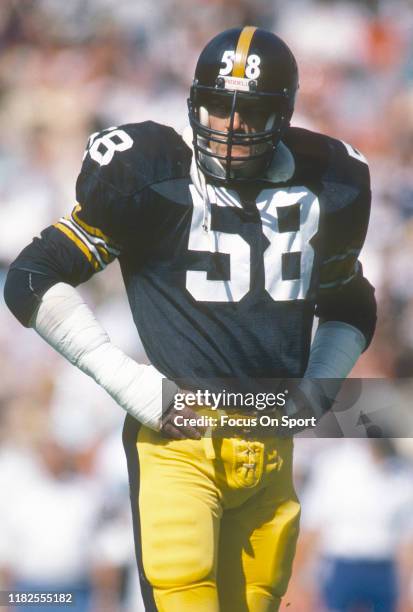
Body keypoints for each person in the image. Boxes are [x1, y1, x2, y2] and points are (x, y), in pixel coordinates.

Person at [4, 26, 376, 612]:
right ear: (192, 102)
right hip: (179, 439)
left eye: (250, 111)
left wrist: (320, 386)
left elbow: (351, 302)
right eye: (216, 108)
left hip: (269, 441)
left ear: (282, 114)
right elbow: (30, 278)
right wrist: (133, 387)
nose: (230, 126)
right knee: (184, 591)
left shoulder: (330, 178)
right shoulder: (151, 167)